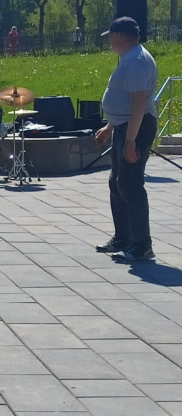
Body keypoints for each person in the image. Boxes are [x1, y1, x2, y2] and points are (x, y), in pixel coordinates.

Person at [94, 16, 158, 261]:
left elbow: (139, 101)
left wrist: (131, 140)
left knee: (130, 185)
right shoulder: (130, 58)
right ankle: (123, 236)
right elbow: (125, 100)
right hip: (124, 127)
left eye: (110, 37)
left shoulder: (137, 60)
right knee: (117, 183)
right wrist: (111, 126)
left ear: (118, 36)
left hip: (137, 129)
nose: (109, 42)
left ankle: (142, 244)